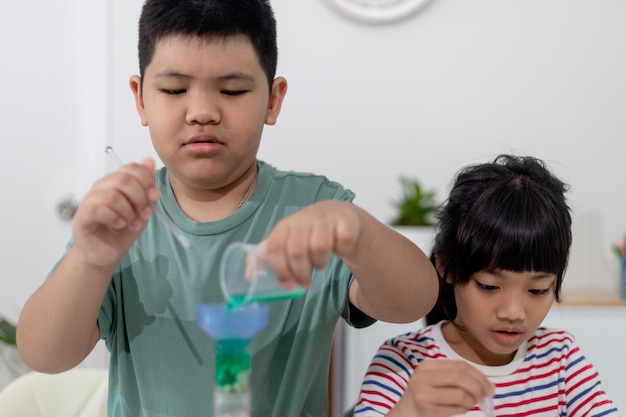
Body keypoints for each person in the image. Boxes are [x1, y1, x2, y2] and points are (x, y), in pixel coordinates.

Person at [15, 0, 438, 416]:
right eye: (174, 89)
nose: (201, 112)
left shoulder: (315, 211)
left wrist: (357, 231)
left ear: (273, 100)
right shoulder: (119, 223)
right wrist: (90, 261)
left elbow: (412, 302)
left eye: (232, 90)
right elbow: (44, 354)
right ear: (140, 99)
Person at [353, 155, 620, 416]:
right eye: (489, 286)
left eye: (537, 290)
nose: (513, 312)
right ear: (447, 267)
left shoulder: (560, 359)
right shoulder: (405, 362)